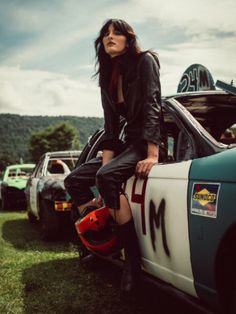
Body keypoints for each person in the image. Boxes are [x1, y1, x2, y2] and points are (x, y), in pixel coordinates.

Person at [64, 18, 164, 296]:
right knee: (74, 180)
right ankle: (102, 235)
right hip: (125, 143)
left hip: (146, 141)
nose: (110, 37)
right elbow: (110, 127)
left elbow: (153, 104)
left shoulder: (146, 61)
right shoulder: (108, 77)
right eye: (105, 34)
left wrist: (153, 153)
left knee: (106, 176)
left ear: (128, 39)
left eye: (116, 33)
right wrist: (105, 178)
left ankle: (132, 262)